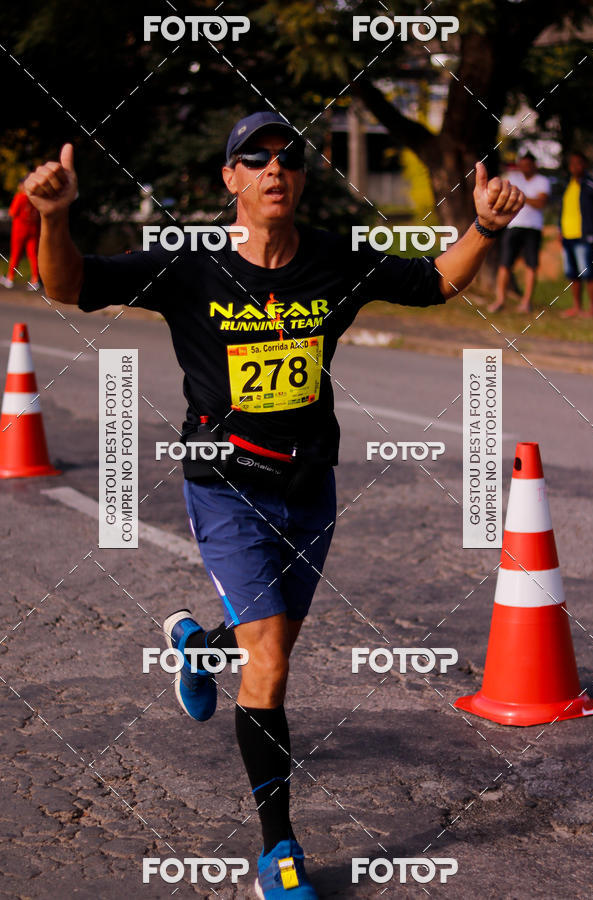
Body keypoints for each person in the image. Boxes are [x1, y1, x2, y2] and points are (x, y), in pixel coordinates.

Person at [23, 112, 524, 899]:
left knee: (271, 642)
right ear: (230, 178)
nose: (272, 170)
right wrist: (54, 217)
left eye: (287, 157)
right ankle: (277, 849)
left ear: (301, 174)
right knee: (272, 660)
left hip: (309, 488)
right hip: (225, 484)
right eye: (253, 159)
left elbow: (433, 283)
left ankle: (198, 647)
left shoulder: (333, 258)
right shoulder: (191, 265)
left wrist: (486, 228)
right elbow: (69, 286)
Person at [488, 150, 550, 314]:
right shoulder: (512, 178)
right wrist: (528, 198)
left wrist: (519, 197)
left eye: (528, 165)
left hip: (533, 228)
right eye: (522, 165)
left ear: (534, 165)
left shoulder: (542, 181)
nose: (525, 168)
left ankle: (526, 302)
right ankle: (500, 300)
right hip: (513, 226)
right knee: (505, 263)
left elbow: (540, 203)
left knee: (531, 265)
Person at [559, 150, 593, 318]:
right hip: (567, 236)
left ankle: (592, 309)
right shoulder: (567, 185)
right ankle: (576, 307)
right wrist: (560, 229)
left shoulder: (592, 185)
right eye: (572, 164)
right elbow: (564, 210)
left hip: (585, 236)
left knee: (588, 273)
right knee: (572, 273)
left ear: (585, 165)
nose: (575, 167)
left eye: (578, 163)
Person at [0, 181, 41, 290]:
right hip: (33, 229)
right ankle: (35, 279)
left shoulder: (20, 197)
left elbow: (12, 212)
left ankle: (10, 278)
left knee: (16, 254)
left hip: (20, 230)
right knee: (33, 255)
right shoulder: (35, 198)